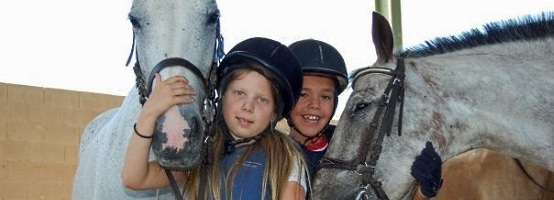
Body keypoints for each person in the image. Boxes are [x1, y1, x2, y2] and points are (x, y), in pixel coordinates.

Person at [122, 37, 309, 200]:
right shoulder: (203, 150)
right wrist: (149, 114)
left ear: (274, 113)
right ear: (223, 95)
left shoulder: (285, 157)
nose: (248, 106)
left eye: (262, 99)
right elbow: (135, 178)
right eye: (239, 93)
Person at [286, 39, 442, 199]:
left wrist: (424, 191)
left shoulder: (359, 146)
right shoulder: (275, 154)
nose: (314, 105)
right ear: (286, 98)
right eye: (304, 94)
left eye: (325, 96)